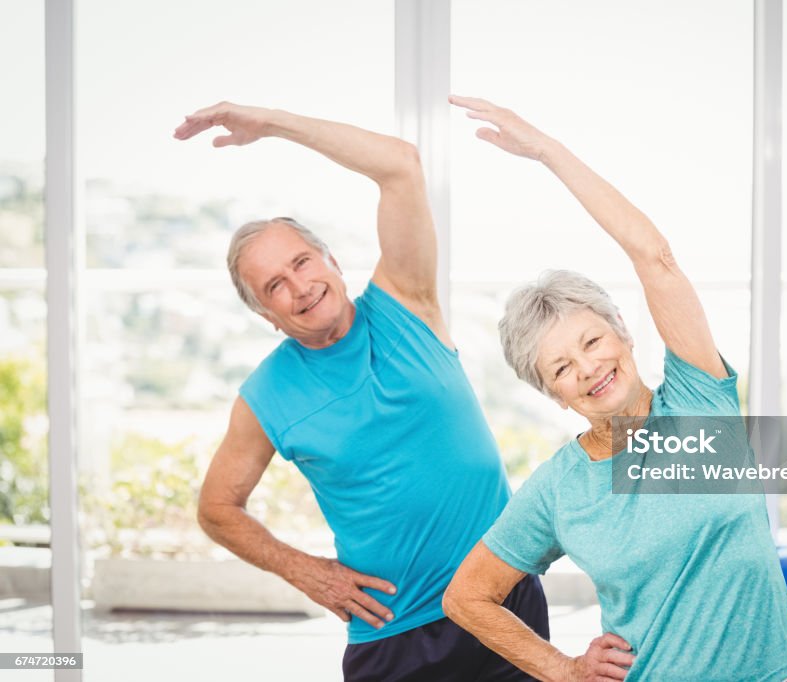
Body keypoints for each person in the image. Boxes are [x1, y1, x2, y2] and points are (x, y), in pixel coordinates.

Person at [442, 96, 787, 681]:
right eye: (561, 368)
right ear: (554, 395)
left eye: (591, 341)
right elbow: (465, 597)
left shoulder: (699, 401)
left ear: (623, 332)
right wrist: (563, 669)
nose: (587, 369)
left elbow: (655, 257)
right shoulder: (558, 490)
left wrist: (548, 153)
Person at [173, 101, 548, 681]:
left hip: (503, 600)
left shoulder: (407, 302)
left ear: (332, 260)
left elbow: (400, 165)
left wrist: (272, 125)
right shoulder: (265, 396)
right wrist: (308, 572)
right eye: (275, 285)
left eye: (302, 261)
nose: (300, 286)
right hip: (397, 636)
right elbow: (217, 509)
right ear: (266, 315)